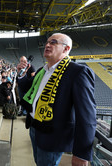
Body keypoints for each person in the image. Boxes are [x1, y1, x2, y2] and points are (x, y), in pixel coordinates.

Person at [17, 33, 96, 166]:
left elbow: (87, 115)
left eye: (53, 42)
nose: (47, 45)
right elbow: (27, 88)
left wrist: (81, 153)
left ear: (66, 49)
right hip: (34, 128)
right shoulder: (43, 70)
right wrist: (21, 75)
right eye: (47, 42)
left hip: (53, 136)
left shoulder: (78, 72)